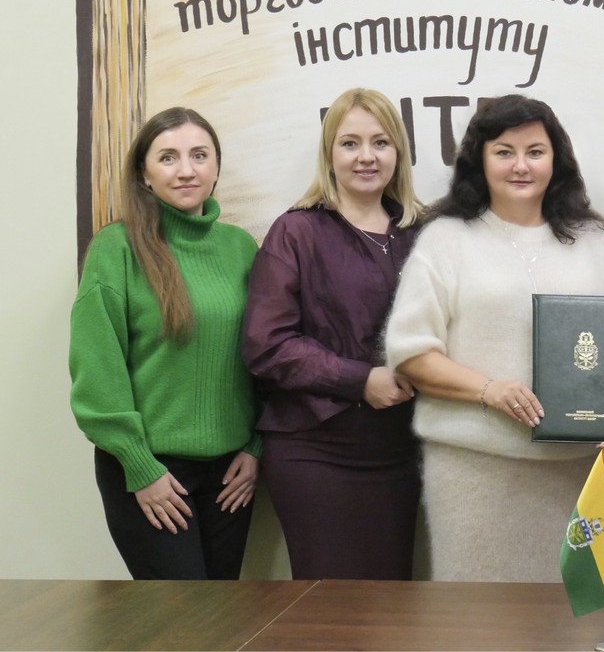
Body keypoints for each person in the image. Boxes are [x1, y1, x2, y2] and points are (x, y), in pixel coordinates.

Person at [384, 94, 604, 583]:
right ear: (479, 160)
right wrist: (490, 390)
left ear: (556, 159)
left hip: (571, 475)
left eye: (535, 151)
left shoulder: (590, 241)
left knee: (569, 615)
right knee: (479, 617)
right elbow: (411, 351)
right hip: (473, 473)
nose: (521, 166)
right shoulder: (445, 240)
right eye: (504, 152)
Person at [69, 107, 260, 580]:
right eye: (168, 157)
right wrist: (140, 467)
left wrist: (257, 447)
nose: (186, 170)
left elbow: (264, 356)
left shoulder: (241, 248)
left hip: (230, 475)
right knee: (178, 618)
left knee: (223, 614)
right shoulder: (116, 249)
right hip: (150, 472)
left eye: (200, 155)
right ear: (144, 174)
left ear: (216, 167)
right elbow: (98, 371)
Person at [243, 88, 423, 580]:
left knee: (390, 601)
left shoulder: (422, 233)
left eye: (380, 142)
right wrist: (360, 380)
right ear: (329, 154)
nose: (366, 156)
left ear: (398, 152)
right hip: (316, 450)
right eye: (350, 143)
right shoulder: (296, 231)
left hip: (400, 451)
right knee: (328, 605)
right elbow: (266, 345)